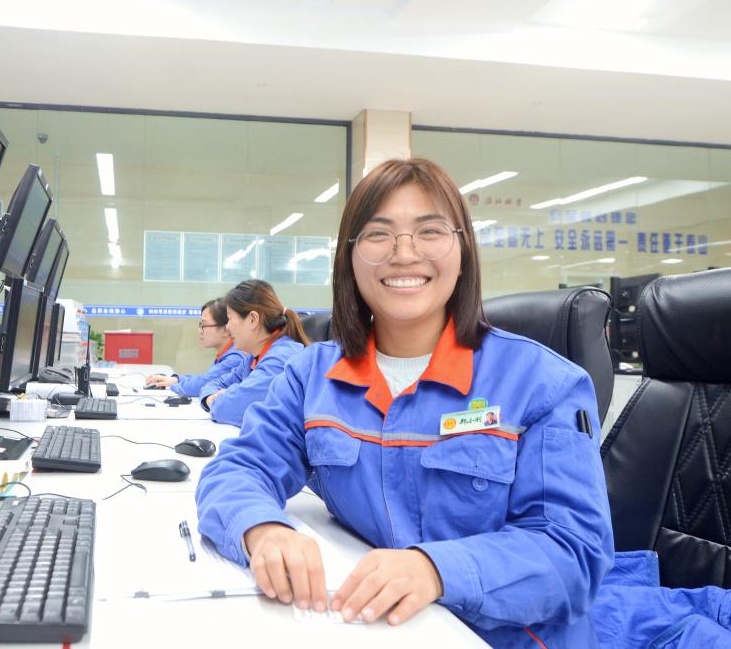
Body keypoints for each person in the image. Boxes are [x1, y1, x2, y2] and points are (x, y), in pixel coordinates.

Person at [195, 157, 614, 646]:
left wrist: (435, 569)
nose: (405, 253)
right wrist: (262, 529)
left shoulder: (545, 382)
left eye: (430, 231)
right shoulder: (312, 376)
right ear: (350, 258)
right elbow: (240, 467)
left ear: (463, 251)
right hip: (370, 628)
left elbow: (574, 551)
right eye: (379, 234)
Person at [198, 280, 309, 427]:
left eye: (230, 319)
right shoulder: (253, 357)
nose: (227, 327)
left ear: (253, 319)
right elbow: (217, 383)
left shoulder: (281, 359)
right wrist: (210, 398)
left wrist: (218, 399)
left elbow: (230, 408)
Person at [144, 299, 248, 396]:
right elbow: (205, 378)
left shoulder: (234, 359)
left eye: (204, 325)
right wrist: (176, 380)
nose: (200, 330)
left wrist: (171, 385)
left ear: (225, 329)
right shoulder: (226, 354)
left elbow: (202, 384)